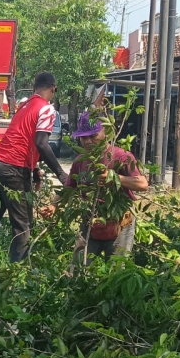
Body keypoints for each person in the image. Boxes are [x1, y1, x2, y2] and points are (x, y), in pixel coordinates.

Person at [0, 72, 70, 262]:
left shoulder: (24, 106)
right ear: (53, 89)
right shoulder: (47, 109)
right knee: (23, 225)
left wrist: (34, 170)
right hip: (13, 169)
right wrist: (61, 174)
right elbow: (41, 143)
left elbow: (23, 139)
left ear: (33, 88)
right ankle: (16, 273)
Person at [66, 111, 148, 261]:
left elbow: (142, 184)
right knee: (78, 266)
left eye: (93, 136)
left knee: (116, 268)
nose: (88, 141)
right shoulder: (80, 160)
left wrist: (115, 178)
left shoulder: (121, 156)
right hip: (90, 222)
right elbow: (69, 188)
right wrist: (53, 206)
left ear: (107, 133)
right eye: (84, 137)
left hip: (118, 223)